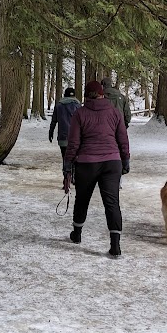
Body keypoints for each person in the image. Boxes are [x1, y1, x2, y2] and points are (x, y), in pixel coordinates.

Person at [63, 80, 130, 257]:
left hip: (87, 163)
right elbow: (123, 138)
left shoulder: (80, 114)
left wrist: (68, 165)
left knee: (82, 199)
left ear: (86, 96)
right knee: (112, 203)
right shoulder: (115, 113)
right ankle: (115, 245)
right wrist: (126, 159)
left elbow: (73, 143)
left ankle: (77, 234)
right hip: (112, 162)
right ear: (102, 94)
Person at [49, 88, 82, 159]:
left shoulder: (59, 106)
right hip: (76, 137)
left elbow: (54, 121)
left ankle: (66, 169)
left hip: (63, 137)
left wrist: (51, 132)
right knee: (75, 159)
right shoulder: (78, 106)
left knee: (65, 158)